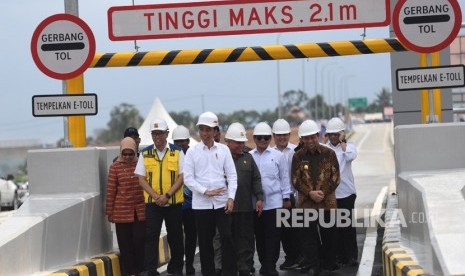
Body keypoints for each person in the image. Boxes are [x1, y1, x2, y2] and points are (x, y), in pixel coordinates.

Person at [183, 111, 238, 276]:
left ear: (215, 131)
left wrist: (231, 198)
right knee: (205, 244)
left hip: (222, 203)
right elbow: (188, 178)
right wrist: (205, 191)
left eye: (208, 130)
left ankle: (229, 272)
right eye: (202, 129)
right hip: (201, 205)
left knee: (227, 238)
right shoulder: (192, 152)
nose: (205, 133)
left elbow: (232, 176)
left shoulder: (224, 150)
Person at [135, 119, 185, 276]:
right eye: (154, 134)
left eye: (160, 133)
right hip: (153, 203)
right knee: (151, 236)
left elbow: (182, 176)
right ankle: (150, 269)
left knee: (175, 235)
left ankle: (176, 268)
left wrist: (168, 195)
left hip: (173, 202)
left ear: (167, 134)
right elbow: (141, 179)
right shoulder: (145, 153)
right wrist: (156, 196)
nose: (157, 137)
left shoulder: (177, 152)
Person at [291, 120, 340, 276]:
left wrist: (322, 193)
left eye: (312, 137)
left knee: (329, 235)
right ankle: (314, 265)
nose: (310, 141)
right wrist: (310, 193)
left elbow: (336, 177)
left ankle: (329, 263)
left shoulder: (329, 154)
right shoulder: (297, 156)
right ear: (302, 139)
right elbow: (295, 180)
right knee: (307, 237)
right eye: (306, 138)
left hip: (327, 202)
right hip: (306, 203)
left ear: (317, 136)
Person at [250, 122, 292, 276]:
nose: (263, 140)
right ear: (254, 138)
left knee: (274, 238)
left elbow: (284, 178)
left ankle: (271, 266)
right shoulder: (249, 157)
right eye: (259, 137)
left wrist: (286, 198)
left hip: (275, 204)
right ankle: (264, 264)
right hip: (256, 205)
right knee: (260, 238)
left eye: (266, 137)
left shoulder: (278, 156)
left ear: (270, 138)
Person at [225, 123, 264, 276]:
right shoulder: (222, 157)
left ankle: (245, 268)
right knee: (227, 240)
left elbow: (256, 178)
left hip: (246, 208)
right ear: (228, 141)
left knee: (246, 240)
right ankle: (229, 268)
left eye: (243, 142)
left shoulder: (248, 158)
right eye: (238, 142)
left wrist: (260, 198)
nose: (241, 145)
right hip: (226, 209)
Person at [106, 137, 146, 276]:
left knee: (139, 241)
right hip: (121, 211)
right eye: (125, 154)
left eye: (131, 154)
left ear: (135, 152)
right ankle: (131, 271)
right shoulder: (115, 167)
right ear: (121, 153)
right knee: (125, 244)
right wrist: (109, 212)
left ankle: (140, 268)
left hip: (140, 211)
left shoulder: (142, 164)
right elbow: (111, 190)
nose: (128, 157)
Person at [324, 117, 359, 267]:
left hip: (346, 193)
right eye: (330, 134)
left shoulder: (349, 147)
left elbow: (350, 156)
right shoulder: (323, 150)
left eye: (336, 134)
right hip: (330, 194)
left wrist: (343, 142)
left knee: (347, 227)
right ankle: (339, 256)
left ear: (341, 134)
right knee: (334, 228)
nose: (333, 137)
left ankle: (351, 256)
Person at [271, 119, 302, 270]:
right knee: (284, 231)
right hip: (280, 199)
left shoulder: (296, 151)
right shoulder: (270, 153)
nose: (282, 138)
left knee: (299, 229)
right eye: (278, 135)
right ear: (273, 136)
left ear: (289, 135)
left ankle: (301, 258)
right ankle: (290, 257)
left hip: (296, 196)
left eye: (284, 135)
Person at [172, 125, 196, 275]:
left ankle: (190, 265)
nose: (180, 144)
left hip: (192, 204)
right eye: (177, 141)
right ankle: (177, 265)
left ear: (188, 141)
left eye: (183, 141)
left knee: (191, 236)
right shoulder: (169, 156)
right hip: (174, 204)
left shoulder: (194, 156)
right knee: (175, 237)